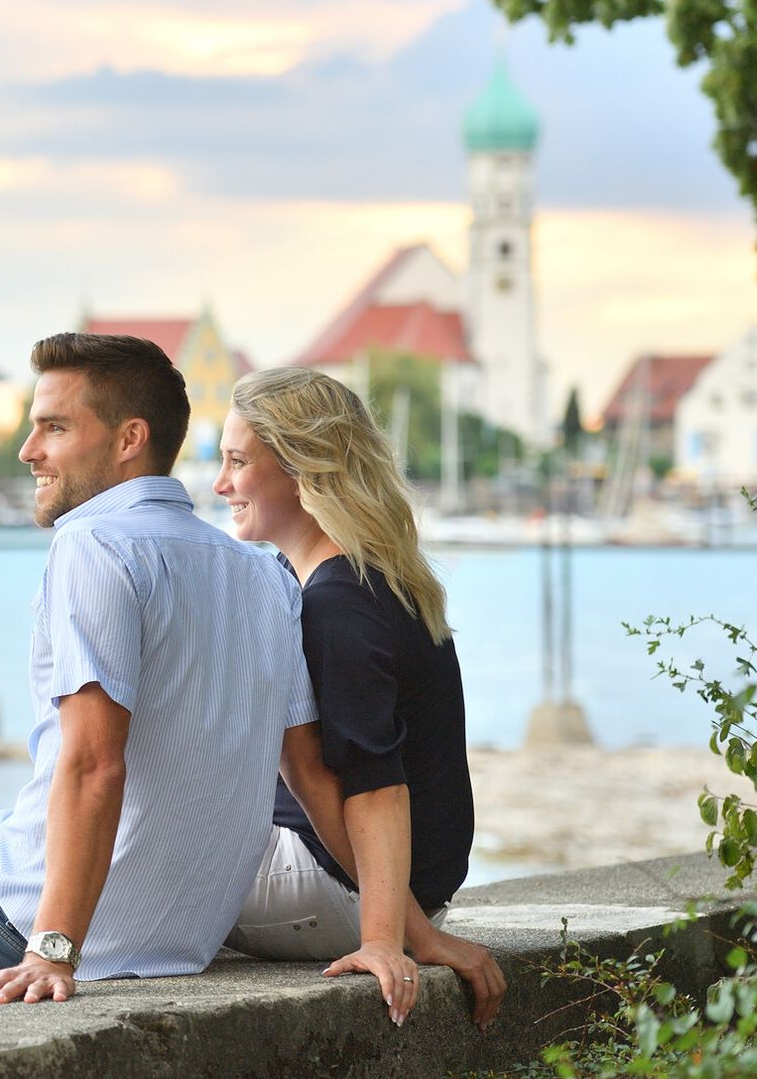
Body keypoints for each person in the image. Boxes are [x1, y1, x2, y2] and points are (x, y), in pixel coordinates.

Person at [0, 333, 396, 1007]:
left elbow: (94, 762)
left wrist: (52, 949)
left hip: (24, 910)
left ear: (129, 439)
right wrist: (400, 932)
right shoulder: (261, 572)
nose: (27, 450)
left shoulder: (93, 543)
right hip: (182, 939)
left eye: (55, 427)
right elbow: (309, 771)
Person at [215, 366, 506, 1028]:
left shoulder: (336, 605)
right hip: (386, 888)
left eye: (237, 461)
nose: (220, 484)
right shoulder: (369, 576)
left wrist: (389, 937)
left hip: (341, 889)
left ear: (302, 469)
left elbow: (373, 783)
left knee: (107, 841)